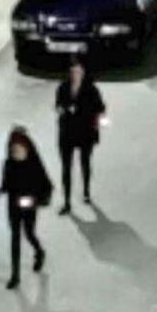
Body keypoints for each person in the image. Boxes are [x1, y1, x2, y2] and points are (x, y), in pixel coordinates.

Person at [0, 127, 52, 290]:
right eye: (13, 150)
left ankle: (39, 251)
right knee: (15, 237)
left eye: (19, 150)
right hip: (13, 205)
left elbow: (46, 185)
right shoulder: (8, 164)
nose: (16, 153)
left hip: (29, 206)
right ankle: (15, 275)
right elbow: (6, 181)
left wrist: (40, 200)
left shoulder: (35, 166)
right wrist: (3, 189)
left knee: (29, 233)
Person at [55, 58, 106, 215]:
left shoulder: (91, 89)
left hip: (85, 132)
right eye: (74, 71)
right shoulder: (63, 87)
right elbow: (58, 105)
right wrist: (62, 110)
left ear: (84, 72)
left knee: (85, 163)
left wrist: (94, 118)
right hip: (67, 132)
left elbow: (101, 107)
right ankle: (67, 202)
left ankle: (86, 192)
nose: (76, 74)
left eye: (79, 71)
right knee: (66, 168)